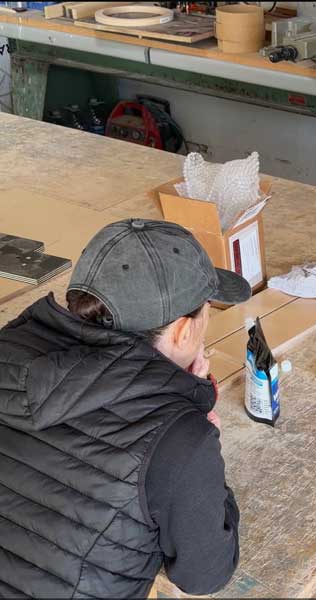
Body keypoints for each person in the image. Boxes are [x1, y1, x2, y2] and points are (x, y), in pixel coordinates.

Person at [0, 219, 252, 598]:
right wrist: (199, 442)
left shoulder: (9, 350)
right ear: (184, 331)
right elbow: (205, 575)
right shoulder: (181, 441)